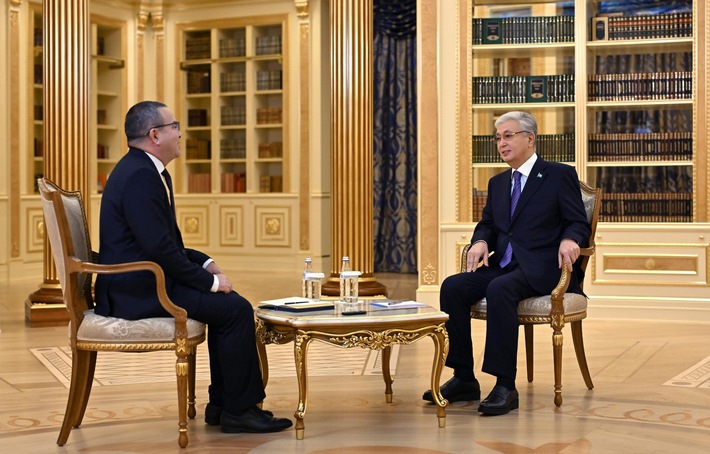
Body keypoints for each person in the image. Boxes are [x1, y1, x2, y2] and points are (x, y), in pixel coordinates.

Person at [94, 100, 292, 433]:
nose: (180, 134)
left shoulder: (142, 169)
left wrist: (205, 262)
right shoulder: (140, 176)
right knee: (236, 310)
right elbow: (159, 249)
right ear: (155, 135)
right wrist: (210, 283)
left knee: (230, 308)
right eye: (174, 127)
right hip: (138, 289)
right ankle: (238, 410)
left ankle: (224, 406)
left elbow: (163, 244)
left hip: (143, 279)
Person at [423, 111, 591, 416]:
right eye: (498, 137)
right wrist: (480, 241)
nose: (502, 143)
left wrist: (570, 239)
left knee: (500, 289)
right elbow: (488, 223)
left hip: (541, 267)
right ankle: (464, 377)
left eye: (508, 136)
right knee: (452, 287)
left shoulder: (558, 175)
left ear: (530, 138)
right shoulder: (498, 182)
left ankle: (505, 385)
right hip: (503, 265)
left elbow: (577, 221)